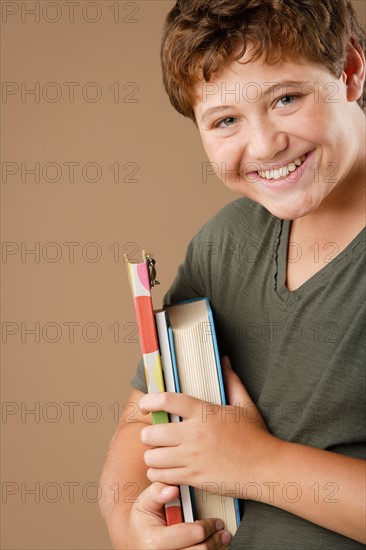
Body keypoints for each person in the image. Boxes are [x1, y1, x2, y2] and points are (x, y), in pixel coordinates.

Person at [99, 1, 366, 548]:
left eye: (286, 99)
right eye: (225, 121)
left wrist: (257, 464)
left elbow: (241, 463)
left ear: (351, 72)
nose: (266, 146)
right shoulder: (226, 243)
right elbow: (140, 421)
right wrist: (130, 525)